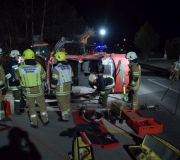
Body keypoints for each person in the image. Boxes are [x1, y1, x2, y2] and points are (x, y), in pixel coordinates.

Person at [15, 49, 49, 128]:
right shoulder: (39, 67)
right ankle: (45, 121)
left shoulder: (20, 68)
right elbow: (44, 77)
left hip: (28, 92)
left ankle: (34, 123)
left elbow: (17, 78)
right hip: (39, 91)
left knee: (31, 107)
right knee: (42, 106)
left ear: (24, 57)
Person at [51, 51, 74, 122]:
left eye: (55, 58)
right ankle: (68, 114)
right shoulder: (69, 66)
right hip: (68, 88)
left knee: (62, 103)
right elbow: (72, 76)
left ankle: (65, 118)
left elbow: (55, 79)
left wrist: (53, 87)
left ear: (58, 58)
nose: (54, 60)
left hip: (60, 89)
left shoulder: (57, 68)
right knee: (67, 102)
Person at [5, 50, 24, 115]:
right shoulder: (10, 64)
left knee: (20, 97)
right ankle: (17, 110)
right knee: (17, 98)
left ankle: (19, 108)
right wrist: (12, 79)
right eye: (17, 56)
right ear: (13, 56)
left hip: (19, 84)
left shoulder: (18, 63)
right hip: (14, 85)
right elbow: (7, 73)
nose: (18, 57)